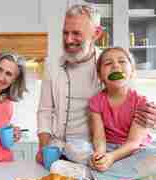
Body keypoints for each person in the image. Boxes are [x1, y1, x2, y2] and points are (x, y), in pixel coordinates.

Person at [36, 4, 156, 165]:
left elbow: (130, 105)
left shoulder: (109, 67)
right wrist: (43, 148)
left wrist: (150, 116)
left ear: (96, 33)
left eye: (76, 33)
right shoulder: (52, 66)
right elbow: (45, 111)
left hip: (97, 150)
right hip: (57, 148)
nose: (68, 40)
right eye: (65, 33)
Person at [89, 47, 152, 172]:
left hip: (135, 149)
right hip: (109, 146)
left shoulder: (142, 102)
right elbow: (99, 137)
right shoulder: (95, 102)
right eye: (108, 63)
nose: (115, 66)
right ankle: (113, 172)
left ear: (132, 71)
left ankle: (98, 174)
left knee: (151, 155)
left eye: (122, 61)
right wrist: (100, 155)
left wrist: (112, 158)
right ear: (100, 76)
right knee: (75, 147)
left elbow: (133, 143)